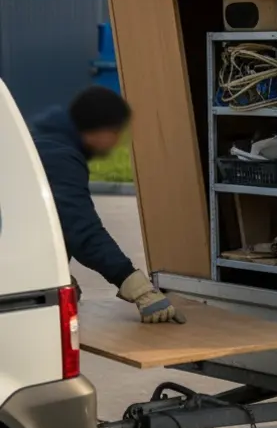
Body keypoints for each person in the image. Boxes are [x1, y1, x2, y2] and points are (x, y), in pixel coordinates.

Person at [29, 86, 184, 323]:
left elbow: (40, 220)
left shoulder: (44, 139)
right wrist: (136, 285)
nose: (116, 141)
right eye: (115, 132)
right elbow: (82, 232)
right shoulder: (58, 156)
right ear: (98, 130)